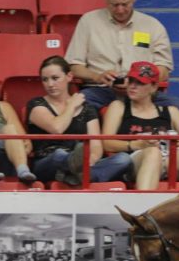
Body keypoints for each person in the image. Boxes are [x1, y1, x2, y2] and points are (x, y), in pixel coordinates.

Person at [101, 61, 179, 191]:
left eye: (140, 83)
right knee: (152, 152)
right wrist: (136, 145)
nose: (133, 86)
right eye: (131, 80)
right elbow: (106, 142)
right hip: (137, 160)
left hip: (168, 160)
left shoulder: (170, 111)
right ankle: (143, 207)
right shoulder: (118, 107)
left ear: (154, 87)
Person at [65, 0, 179, 111]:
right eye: (114, 5)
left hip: (142, 91)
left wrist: (138, 80)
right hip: (101, 89)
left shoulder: (152, 26)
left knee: (175, 106)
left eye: (125, 4)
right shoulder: (88, 21)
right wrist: (97, 77)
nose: (120, 10)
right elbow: (74, 66)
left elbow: (163, 68)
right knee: (79, 106)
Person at [25, 56, 132, 186]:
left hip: (83, 163)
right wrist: (71, 106)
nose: (50, 84)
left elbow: (96, 146)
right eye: (45, 80)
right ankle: (81, 174)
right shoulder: (36, 104)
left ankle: (75, 175)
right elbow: (57, 128)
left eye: (55, 78)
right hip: (48, 162)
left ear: (69, 76)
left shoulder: (87, 108)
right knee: (59, 154)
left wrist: (89, 162)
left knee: (123, 159)